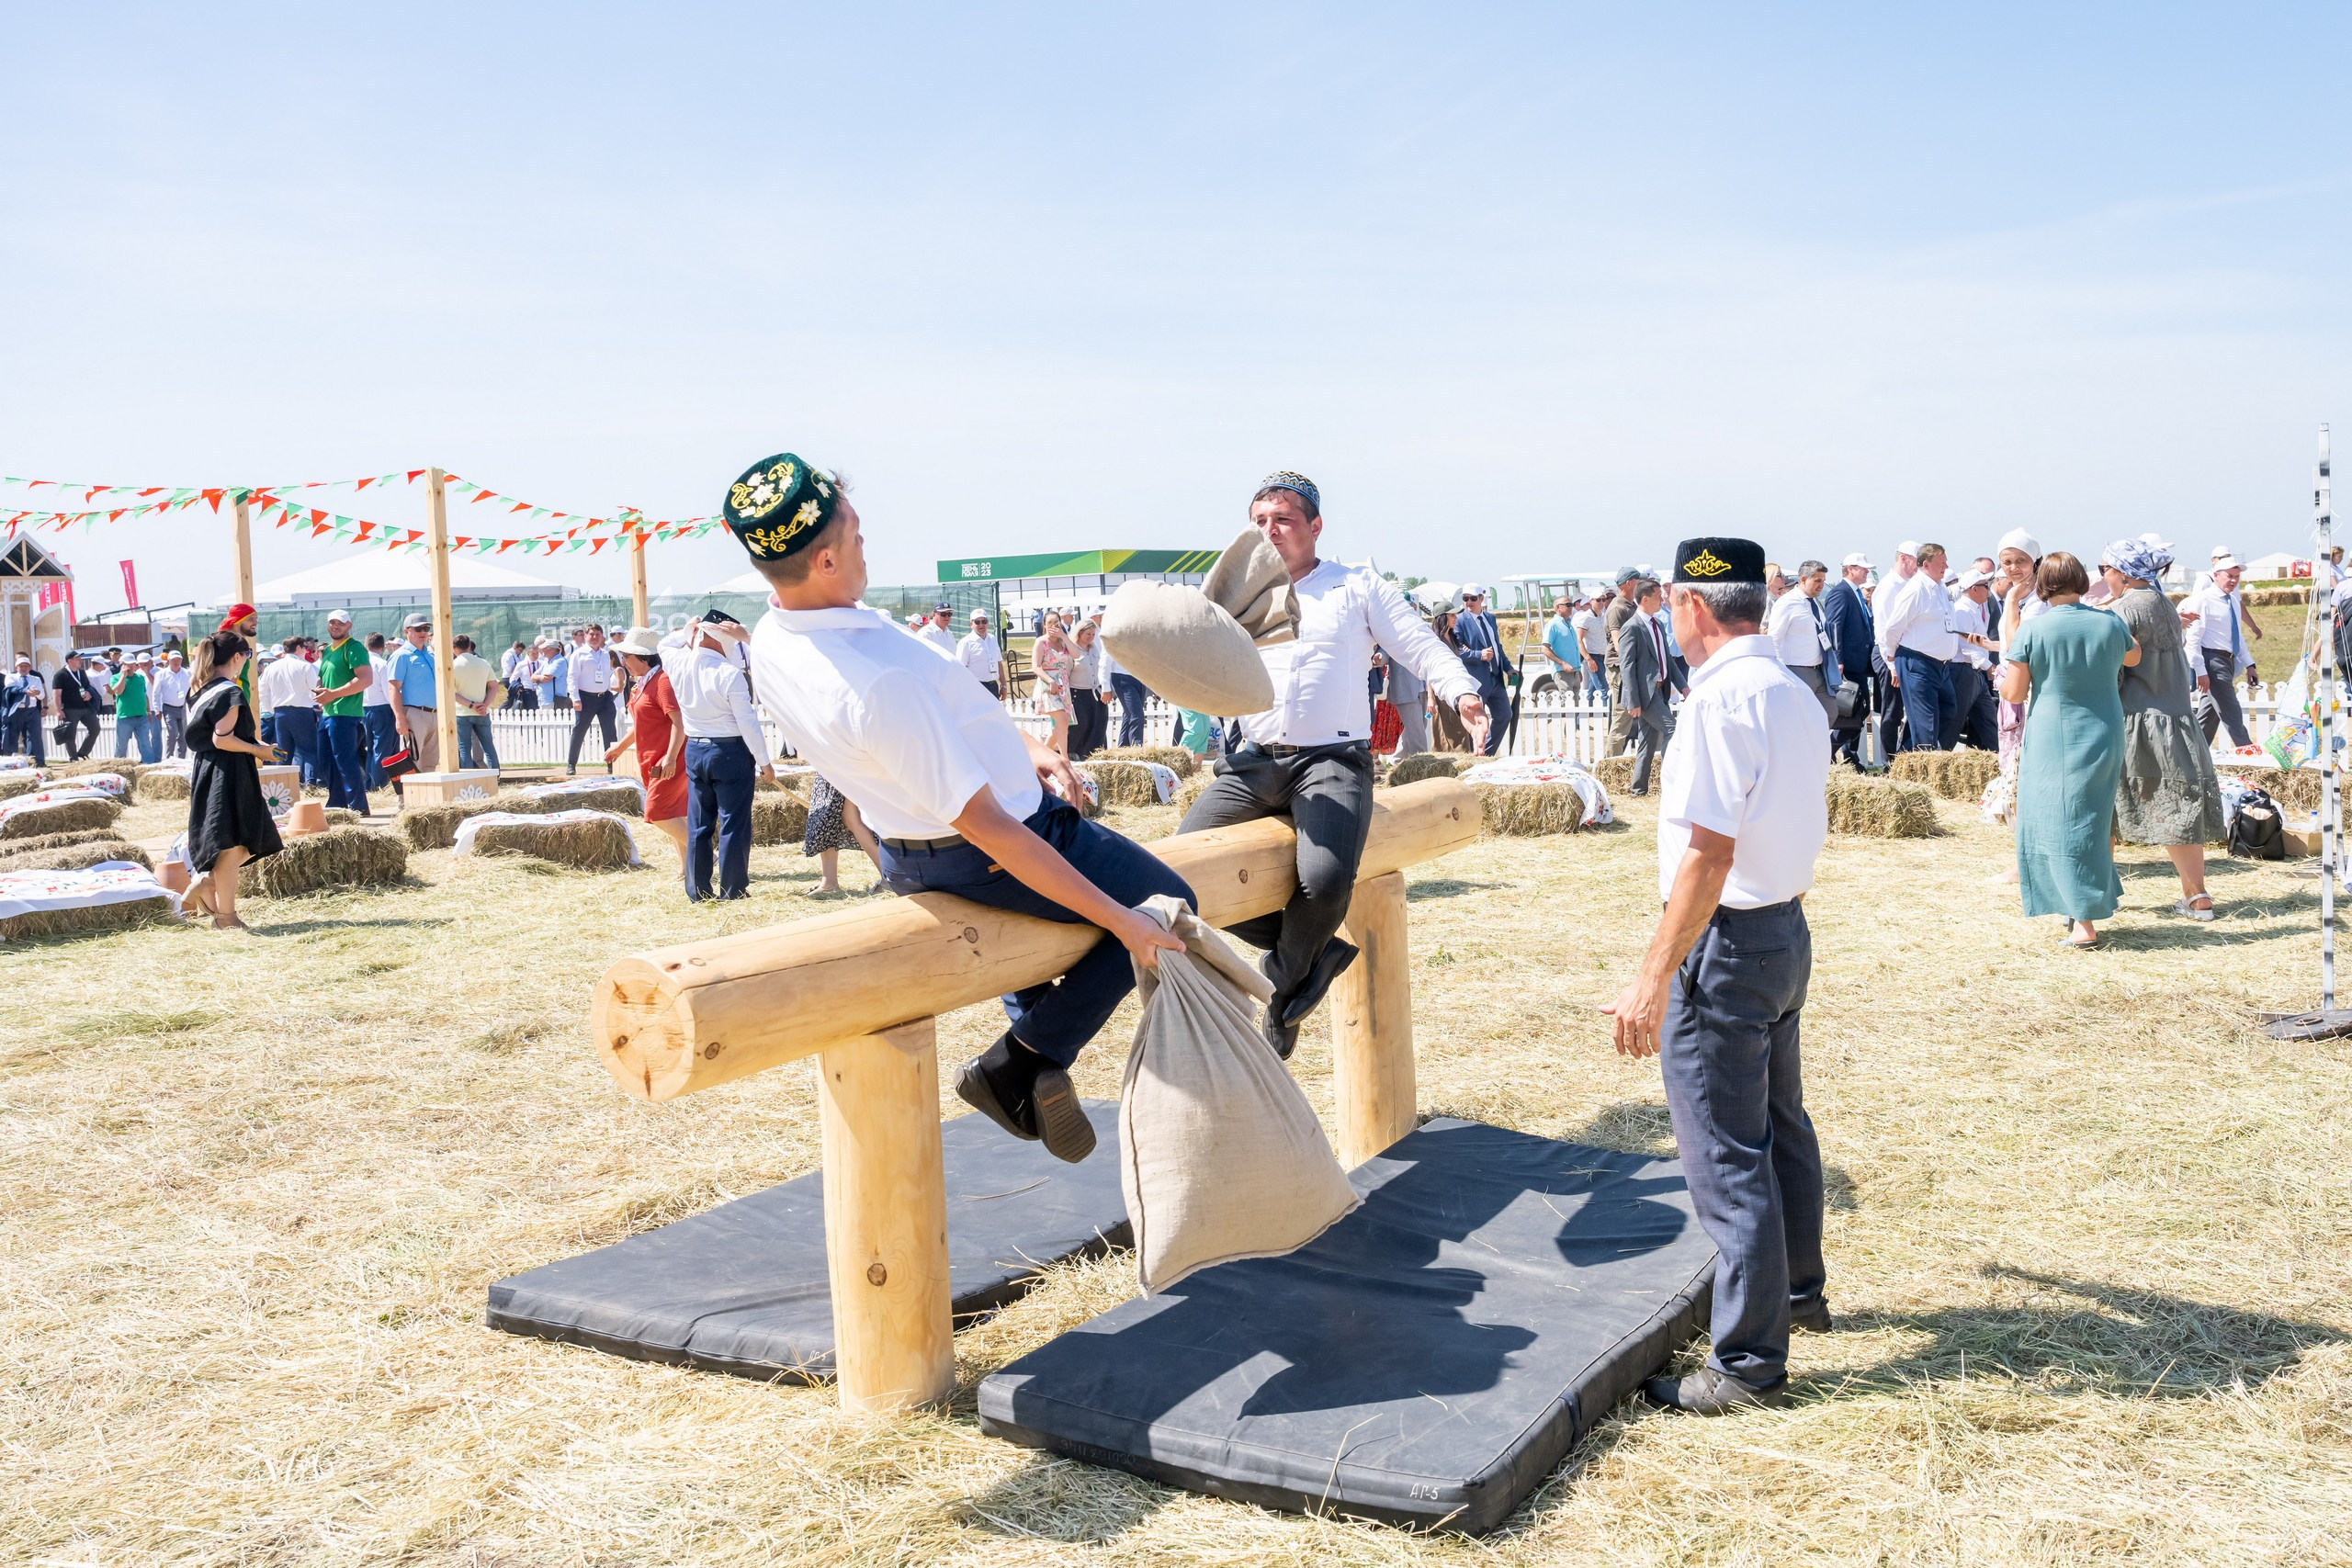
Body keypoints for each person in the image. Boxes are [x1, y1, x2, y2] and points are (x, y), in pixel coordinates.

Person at [732, 450, 1188, 1162]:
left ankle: (1039, 1051)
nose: (864, 545)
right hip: (986, 847)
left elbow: (935, 731)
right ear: (822, 560)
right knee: (1167, 900)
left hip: (912, 850)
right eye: (854, 535)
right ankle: (1021, 1061)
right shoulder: (876, 684)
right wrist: (1123, 921)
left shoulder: (778, 633)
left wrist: (1020, 744)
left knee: (1056, 941)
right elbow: (993, 829)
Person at [1600, 536, 1830, 1416]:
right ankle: (1797, 1294)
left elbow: (1707, 852)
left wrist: (1651, 975)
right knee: (1780, 1124)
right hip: (1780, 929)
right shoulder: (1789, 690)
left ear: (1693, 607)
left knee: (1727, 1157)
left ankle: (1747, 1364)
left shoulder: (1718, 699)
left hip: (1727, 942)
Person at [1177, 471, 1487, 1055]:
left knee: (1323, 882)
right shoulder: (1237, 597)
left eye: (1284, 520)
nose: (1270, 531)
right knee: (1181, 873)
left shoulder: (1357, 586)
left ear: (1315, 527)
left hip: (1332, 760)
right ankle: (1318, 952)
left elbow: (1418, 645)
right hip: (1252, 762)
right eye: (1260, 522)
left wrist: (1462, 692)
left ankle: (1283, 985)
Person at [2004, 552, 2139, 947]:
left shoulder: (2034, 629)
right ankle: (2079, 902)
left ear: (2042, 585)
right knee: (2091, 818)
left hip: (2053, 732)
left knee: (2058, 819)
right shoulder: (2109, 621)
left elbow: (2014, 691)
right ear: (2081, 581)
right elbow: (2134, 655)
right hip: (2106, 728)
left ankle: (2083, 919)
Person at [2102, 540, 2225, 920]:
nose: (2103, 575)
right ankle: (2197, 895)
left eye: (2105, 567)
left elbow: (2112, 671)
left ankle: (2100, 894)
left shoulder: (2121, 611)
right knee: (2179, 806)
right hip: (2176, 719)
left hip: (2134, 721)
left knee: (2106, 807)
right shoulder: (2165, 605)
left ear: (2122, 572)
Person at [182, 630, 285, 931]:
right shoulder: (230, 691)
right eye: (248, 656)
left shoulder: (198, 689)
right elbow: (222, 739)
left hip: (208, 769)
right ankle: (226, 917)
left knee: (242, 841)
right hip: (227, 771)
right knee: (232, 843)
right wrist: (259, 750)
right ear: (237, 657)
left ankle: (206, 882)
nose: (248, 661)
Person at [605, 627, 692, 878]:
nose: (623, 663)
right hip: (653, 759)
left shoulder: (662, 682)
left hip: (667, 760)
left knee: (656, 812)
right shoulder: (642, 684)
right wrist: (620, 748)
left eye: (627, 658)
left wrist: (671, 757)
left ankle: (704, 850)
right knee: (674, 813)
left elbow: (679, 723)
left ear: (643, 657)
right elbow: (640, 724)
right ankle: (686, 870)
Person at [1875, 542, 1958, 751]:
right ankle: (1921, 764)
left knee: (1948, 710)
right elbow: (1893, 627)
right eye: (1941, 562)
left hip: (1940, 664)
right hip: (1917, 661)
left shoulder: (1939, 588)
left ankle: (1907, 757)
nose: (1945, 566)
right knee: (1925, 723)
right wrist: (1891, 655)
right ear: (1926, 564)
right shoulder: (1916, 590)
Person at [2182, 552, 2258, 749]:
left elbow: (2237, 635)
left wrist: (2250, 664)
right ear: (2216, 575)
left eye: (2236, 577)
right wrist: (2200, 671)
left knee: (2210, 715)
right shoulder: (2203, 599)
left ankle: (2194, 755)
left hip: (2228, 661)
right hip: (2212, 661)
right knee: (2231, 710)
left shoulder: (2232, 600)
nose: (2233, 580)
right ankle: (2248, 751)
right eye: (2229, 576)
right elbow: (2193, 638)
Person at [1616, 578, 1681, 795]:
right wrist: (1633, 701)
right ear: (1645, 599)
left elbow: (1668, 660)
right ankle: (1669, 785)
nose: (1662, 598)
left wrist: (1684, 687)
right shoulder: (1631, 627)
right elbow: (1627, 667)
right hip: (1646, 694)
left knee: (1647, 741)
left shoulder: (1658, 624)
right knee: (1673, 730)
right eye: (1658, 595)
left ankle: (1638, 791)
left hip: (1660, 691)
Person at [1763, 559, 1841, 723]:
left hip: (1819, 670)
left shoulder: (1813, 602)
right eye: (1817, 581)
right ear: (1804, 579)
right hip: (1796, 670)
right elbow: (1774, 638)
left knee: (1829, 714)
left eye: (1824, 581)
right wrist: (1780, 672)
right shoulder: (1787, 603)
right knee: (1796, 720)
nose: (1821, 585)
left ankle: (1816, 747)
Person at [312, 611, 373, 814]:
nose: (335, 626)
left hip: (345, 713)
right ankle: (337, 804)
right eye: (332, 622)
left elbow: (365, 679)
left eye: (340, 623)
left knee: (345, 761)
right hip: (329, 713)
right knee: (327, 760)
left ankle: (358, 807)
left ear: (349, 625)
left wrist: (333, 694)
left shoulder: (354, 647)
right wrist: (321, 691)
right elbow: (323, 677)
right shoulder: (328, 650)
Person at [1818, 554, 1875, 766]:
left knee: (1859, 712)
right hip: (1849, 664)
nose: (1867, 572)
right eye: (1863, 568)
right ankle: (1833, 748)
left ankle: (1848, 754)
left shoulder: (1854, 593)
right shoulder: (1841, 593)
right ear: (1850, 569)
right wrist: (1838, 659)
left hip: (1859, 662)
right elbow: (1835, 626)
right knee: (1852, 713)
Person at [1453, 583, 1511, 756]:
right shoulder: (1460, 621)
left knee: (1504, 715)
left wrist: (1508, 667)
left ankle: (1485, 754)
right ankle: (1479, 754)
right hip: (1476, 680)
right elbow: (1457, 650)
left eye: (1472, 598)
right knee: (1477, 721)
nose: (1468, 602)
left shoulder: (1490, 619)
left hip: (1495, 677)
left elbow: (1496, 647)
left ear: (1481, 599)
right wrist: (1479, 655)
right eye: (1465, 599)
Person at [1946, 570, 2001, 751]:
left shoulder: (1972, 609)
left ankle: (1998, 757)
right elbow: (1966, 645)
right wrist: (1989, 666)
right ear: (1974, 589)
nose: (1989, 590)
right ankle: (1940, 755)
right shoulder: (1962, 610)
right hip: (1963, 671)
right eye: (1986, 586)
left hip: (1973, 672)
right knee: (1954, 722)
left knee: (1988, 718)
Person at [387, 614, 442, 773]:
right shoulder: (400, 656)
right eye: (418, 628)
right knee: (411, 760)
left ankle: (428, 797)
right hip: (414, 713)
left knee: (431, 762)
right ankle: (407, 797)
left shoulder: (431, 655)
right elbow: (393, 688)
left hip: (435, 714)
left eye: (426, 628)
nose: (423, 632)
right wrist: (399, 718)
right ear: (407, 631)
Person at [563, 624, 617, 775]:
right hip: (585, 697)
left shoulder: (606, 654)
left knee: (610, 732)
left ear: (602, 636)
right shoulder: (579, 654)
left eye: (597, 634)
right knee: (579, 730)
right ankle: (571, 764)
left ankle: (612, 765)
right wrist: (575, 698)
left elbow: (607, 674)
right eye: (591, 634)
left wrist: (608, 692)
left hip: (604, 697)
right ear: (585, 636)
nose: (594, 637)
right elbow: (572, 677)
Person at [1602, 568, 1647, 745]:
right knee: (1622, 719)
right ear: (1629, 583)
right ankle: (1609, 766)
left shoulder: (1630, 606)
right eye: (1638, 581)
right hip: (1621, 669)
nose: (1641, 584)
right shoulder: (1617, 608)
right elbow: (1618, 643)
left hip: (1629, 667)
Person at [449, 636, 503, 773]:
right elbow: (493, 686)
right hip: (482, 712)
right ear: (469, 647)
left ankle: (467, 779)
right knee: (488, 746)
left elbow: (451, 693)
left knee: (464, 748)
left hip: (462, 712)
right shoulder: (483, 663)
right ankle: (495, 776)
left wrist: (471, 705)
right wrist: (484, 704)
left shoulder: (452, 666)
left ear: (454, 649)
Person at [360, 632, 401, 788]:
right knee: (382, 749)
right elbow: (388, 690)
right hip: (382, 708)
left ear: (366, 645)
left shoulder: (362, 663)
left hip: (365, 708)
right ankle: (378, 784)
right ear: (383, 647)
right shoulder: (382, 664)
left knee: (371, 748)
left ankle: (370, 782)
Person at [1032, 611, 1075, 756]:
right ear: (1044, 625)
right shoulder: (1041, 642)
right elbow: (1036, 666)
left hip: (1063, 683)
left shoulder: (1062, 641)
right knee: (1062, 720)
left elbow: (1076, 654)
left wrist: (1063, 636)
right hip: (1049, 684)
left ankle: (1040, 754)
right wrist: (1050, 681)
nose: (1053, 625)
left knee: (1062, 724)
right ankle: (1064, 759)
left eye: (1056, 622)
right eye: (1050, 622)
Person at [1068, 618, 1109, 759]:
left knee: (1098, 725)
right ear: (1079, 633)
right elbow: (1066, 673)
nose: (1091, 637)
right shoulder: (1072, 650)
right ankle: (1074, 753)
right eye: (1088, 634)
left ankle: (1093, 755)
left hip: (1094, 692)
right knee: (1081, 725)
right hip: (1078, 693)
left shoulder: (1094, 649)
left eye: (1093, 634)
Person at [52, 649, 100, 760]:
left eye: (80, 658)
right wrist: (58, 710)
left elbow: (87, 686)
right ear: (70, 661)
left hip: (86, 707)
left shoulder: (82, 672)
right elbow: (56, 694)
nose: (80, 661)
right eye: (77, 659)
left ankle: (83, 752)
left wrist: (89, 694)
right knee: (70, 734)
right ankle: (73, 758)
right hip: (70, 709)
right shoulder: (60, 675)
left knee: (95, 728)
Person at [1102, 636, 1149, 746]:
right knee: (1137, 716)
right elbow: (1105, 661)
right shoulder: (1115, 635)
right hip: (1123, 677)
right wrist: (1106, 687)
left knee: (1129, 715)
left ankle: (1123, 747)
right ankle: (1136, 748)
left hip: (1139, 677)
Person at [4, 655, 47, 762]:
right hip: (16, 710)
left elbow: (42, 696)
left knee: (35, 736)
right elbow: (11, 688)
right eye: (21, 666)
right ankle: (10, 762)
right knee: (13, 736)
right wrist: (25, 691)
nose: (23, 668)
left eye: (26, 666)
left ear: (30, 668)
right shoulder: (11, 677)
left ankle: (39, 761)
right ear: (16, 668)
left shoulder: (35, 679)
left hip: (32, 711)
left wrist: (37, 693)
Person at [1540, 594, 1585, 696]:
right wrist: (1562, 663)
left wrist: (1578, 670)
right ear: (1558, 608)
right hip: (1563, 672)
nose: (1571, 607)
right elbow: (1545, 649)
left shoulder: (1569, 624)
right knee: (1566, 706)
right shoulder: (1553, 625)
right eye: (1568, 605)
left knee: (1575, 706)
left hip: (1574, 672)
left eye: (1572, 605)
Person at [957, 609, 1009, 698]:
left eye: (984, 621)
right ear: (971, 624)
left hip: (993, 686)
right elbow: (961, 669)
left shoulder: (993, 639)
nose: (981, 625)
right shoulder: (965, 643)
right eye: (977, 622)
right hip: (976, 688)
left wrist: (1004, 685)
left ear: (988, 623)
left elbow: (999, 663)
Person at [153, 648, 191, 760]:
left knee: (183, 735)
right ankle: (169, 757)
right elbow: (156, 693)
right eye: (174, 659)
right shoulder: (161, 674)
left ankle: (181, 758)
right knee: (173, 733)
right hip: (169, 707)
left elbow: (192, 690)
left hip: (183, 707)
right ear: (169, 660)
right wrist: (157, 709)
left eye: (178, 659)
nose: (176, 662)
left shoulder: (187, 673)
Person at [1574, 592, 1611, 700]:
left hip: (1603, 656)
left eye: (1604, 599)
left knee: (1592, 689)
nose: (1601, 602)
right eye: (1598, 600)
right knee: (1604, 690)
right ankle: (1609, 717)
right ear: (1591, 601)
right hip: (1593, 656)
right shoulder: (1585, 617)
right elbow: (1579, 640)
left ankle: (1585, 714)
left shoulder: (1604, 616)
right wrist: (1589, 659)